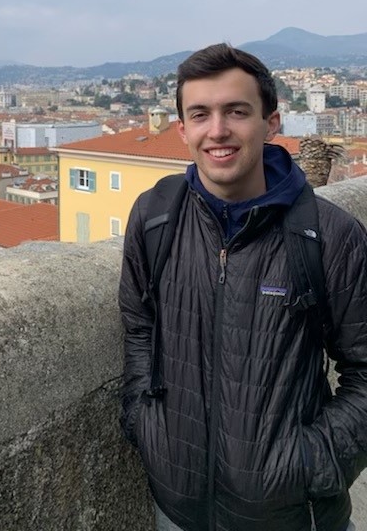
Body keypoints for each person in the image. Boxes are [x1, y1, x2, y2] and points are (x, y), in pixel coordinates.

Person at [119, 43, 366, 531]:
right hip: (177, 508)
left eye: (236, 111)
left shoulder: (330, 236)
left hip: (293, 515)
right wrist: (146, 423)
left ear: (270, 123)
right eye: (201, 114)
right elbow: (138, 326)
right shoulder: (155, 217)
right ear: (183, 128)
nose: (218, 130)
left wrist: (309, 463)